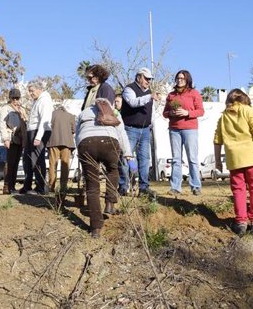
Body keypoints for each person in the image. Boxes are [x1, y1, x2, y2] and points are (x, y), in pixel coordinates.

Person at [214, 89, 253, 235]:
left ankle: (241, 222)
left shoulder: (223, 117)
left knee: (238, 190)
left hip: (234, 160)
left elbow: (217, 139)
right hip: (252, 158)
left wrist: (217, 160)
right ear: (244, 99)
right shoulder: (248, 111)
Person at [76, 98, 133, 238]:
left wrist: (80, 149)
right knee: (113, 170)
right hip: (109, 142)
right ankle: (109, 202)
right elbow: (122, 133)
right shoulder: (114, 112)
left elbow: (77, 134)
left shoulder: (83, 113)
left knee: (92, 186)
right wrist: (127, 153)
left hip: (86, 143)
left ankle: (95, 228)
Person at [119, 67, 161, 197]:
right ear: (139, 77)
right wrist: (149, 97)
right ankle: (123, 186)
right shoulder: (129, 89)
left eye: (150, 79)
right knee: (126, 157)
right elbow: (133, 102)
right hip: (130, 129)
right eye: (146, 78)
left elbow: (151, 112)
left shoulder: (149, 93)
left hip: (145, 130)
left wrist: (151, 125)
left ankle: (144, 187)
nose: (149, 81)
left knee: (144, 159)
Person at [163, 69, 205, 195]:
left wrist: (187, 113)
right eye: (178, 78)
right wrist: (171, 113)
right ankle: (175, 187)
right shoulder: (171, 95)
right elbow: (164, 113)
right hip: (174, 129)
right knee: (176, 159)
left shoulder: (194, 93)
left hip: (190, 129)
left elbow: (201, 111)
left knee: (192, 158)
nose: (179, 80)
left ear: (187, 80)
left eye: (182, 78)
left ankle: (196, 186)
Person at [21, 80, 53, 195]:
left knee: (37, 159)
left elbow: (44, 119)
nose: (30, 93)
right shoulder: (37, 101)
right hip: (32, 132)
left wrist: (38, 137)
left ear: (39, 89)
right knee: (28, 159)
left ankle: (41, 188)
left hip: (39, 132)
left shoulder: (45, 100)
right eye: (29, 91)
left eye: (32, 91)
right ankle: (27, 186)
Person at [0, 88, 27, 194]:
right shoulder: (5, 108)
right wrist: (5, 138)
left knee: (15, 163)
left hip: (20, 139)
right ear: (10, 98)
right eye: (13, 98)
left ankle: (13, 186)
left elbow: (25, 123)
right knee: (10, 163)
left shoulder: (21, 109)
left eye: (17, 98)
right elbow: (2, 124)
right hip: (11, 138)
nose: (15, 100)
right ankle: (7, 186)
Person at [47, 103, 76, 195]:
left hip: (53, 142)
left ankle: (51, 186)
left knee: (52, 165)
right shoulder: (71, 116)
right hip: (67, 143)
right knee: (65, 165)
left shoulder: (51, 114)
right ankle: (63, 187)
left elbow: (48, 127)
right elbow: (74, 130)